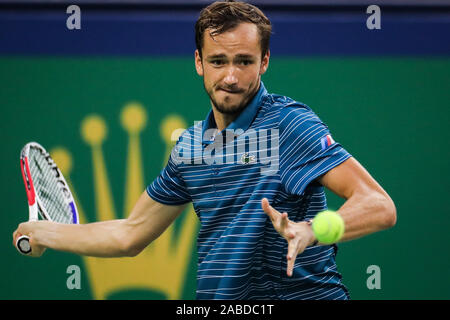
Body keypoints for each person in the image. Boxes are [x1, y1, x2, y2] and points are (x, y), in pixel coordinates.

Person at [13, 0, 396, 300]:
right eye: (218, 61)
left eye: (244, 61)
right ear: (199, 62)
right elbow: (129, 234)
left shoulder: (289, 125)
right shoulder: (192, 148)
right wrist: (44, 233)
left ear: (264, 61)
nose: (230, 76)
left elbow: (379, 205)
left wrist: (313, 230)